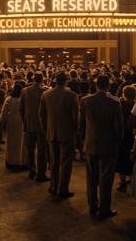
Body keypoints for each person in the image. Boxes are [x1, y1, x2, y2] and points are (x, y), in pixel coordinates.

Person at [78, 74, 123, 219]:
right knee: (106, 178)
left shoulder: (85, 101)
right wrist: (118, 141)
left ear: (96, 85)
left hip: (91, 143)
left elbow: (81, 124)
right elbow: (119, 127)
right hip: (109, 144)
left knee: (91, 177)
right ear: (109, 86)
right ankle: (105, 208)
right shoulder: (114, 103)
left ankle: (92, 204)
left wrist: (83, 139)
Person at [39, 70, 79, 199]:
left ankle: (53, 186)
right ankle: (63, 189)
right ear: (66, 81)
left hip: (51, 132)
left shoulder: (46, 94)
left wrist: (46, 129)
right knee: (66, 163)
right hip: (67, 132)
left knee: (54, 161)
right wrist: (76, 131)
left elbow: (41, 115)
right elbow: (76, 117)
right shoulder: (72, 95)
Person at [19, 71, 49, 181]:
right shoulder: (45, 91)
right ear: (42, 80)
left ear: (33, 79)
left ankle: (31, 171)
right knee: (42, 150)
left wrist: (25, 121)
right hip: (41, 126)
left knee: (30, 150)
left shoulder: (24, 91)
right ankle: (41, 174)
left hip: (28, 123)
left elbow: (21, 109)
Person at [0, 83, 27, 170]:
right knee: (21, 143)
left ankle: (11, 161)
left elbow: (4, 112)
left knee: (11, 142)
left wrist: (2, 122)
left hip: (11, 121)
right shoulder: (23, 99)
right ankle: (22, 161)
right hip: (21, 121)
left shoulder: (9, 99)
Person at [116, 85, 136, 192]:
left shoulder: (120, 104)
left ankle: (122, 182)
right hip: (134, 134)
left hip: (123, 133)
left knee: (122, 157)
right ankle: (132, 179)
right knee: (133, 156)